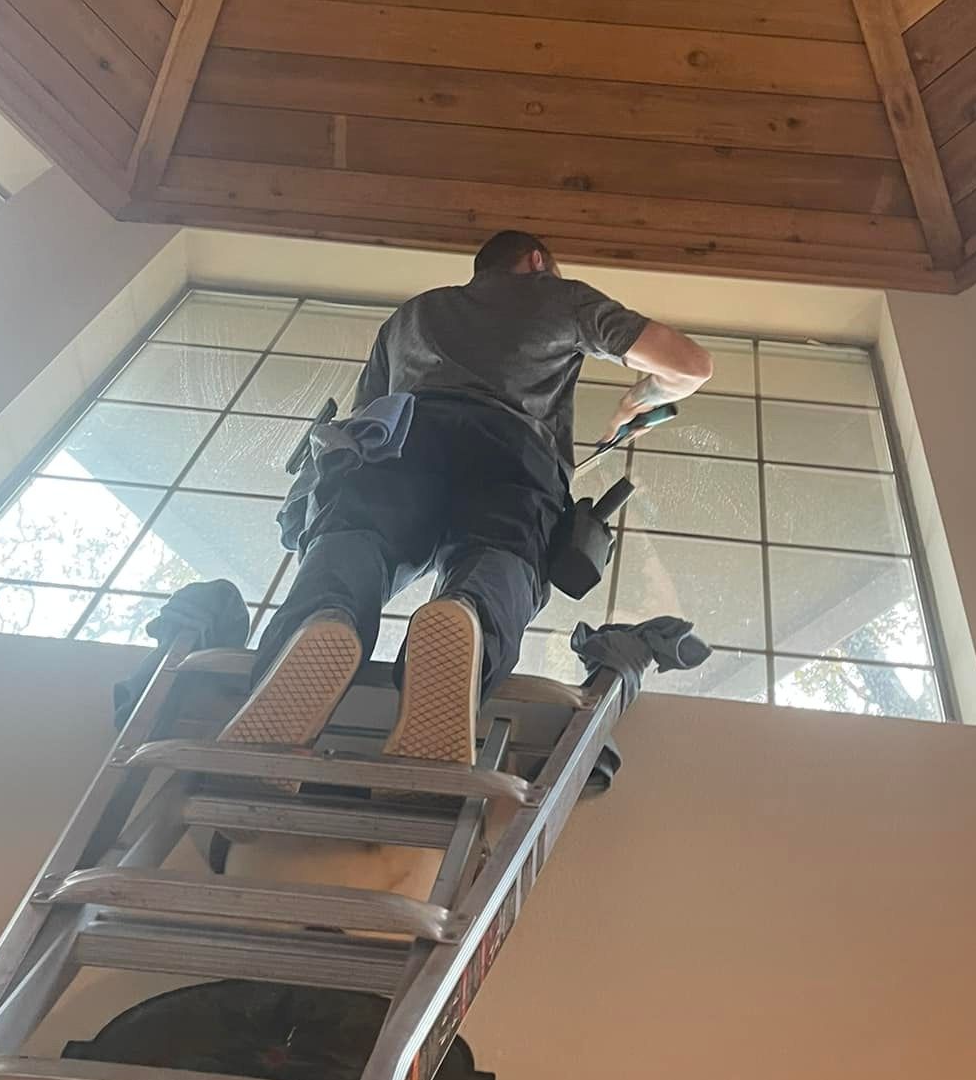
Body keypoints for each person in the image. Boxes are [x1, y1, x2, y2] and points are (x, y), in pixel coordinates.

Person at [220, 230, 713, 765]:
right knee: (500, 558)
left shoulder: (412, 315)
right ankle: (466, 620)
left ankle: (319, 622)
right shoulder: (558, 297)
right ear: (536, 261)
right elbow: (689, 364)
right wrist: (636, 401)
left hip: (399, 441)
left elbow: (364, 422)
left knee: (357, 543)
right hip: (513, 453)